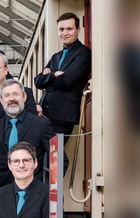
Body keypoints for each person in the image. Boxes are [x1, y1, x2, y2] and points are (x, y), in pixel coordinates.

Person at [0, 79, 63, 185]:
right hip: (2, 193)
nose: (12, 99)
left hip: (34, 193)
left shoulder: (42, 124)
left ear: (24, 97)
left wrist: (47, 188)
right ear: (1, 100)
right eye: (7, 95)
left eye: (16, 94)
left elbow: (59, 159)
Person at [33, 12, 91, 143]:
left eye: (69, 29)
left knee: (55, 157)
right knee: (43, 156)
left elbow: (67, 80)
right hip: (43, 114)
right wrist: (53, 75)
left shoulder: (83, 53)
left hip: (62, 116)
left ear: (78, 30)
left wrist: (47, 77)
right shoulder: (56, 56)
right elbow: (37, 82)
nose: (64, 33)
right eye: (61, 29)